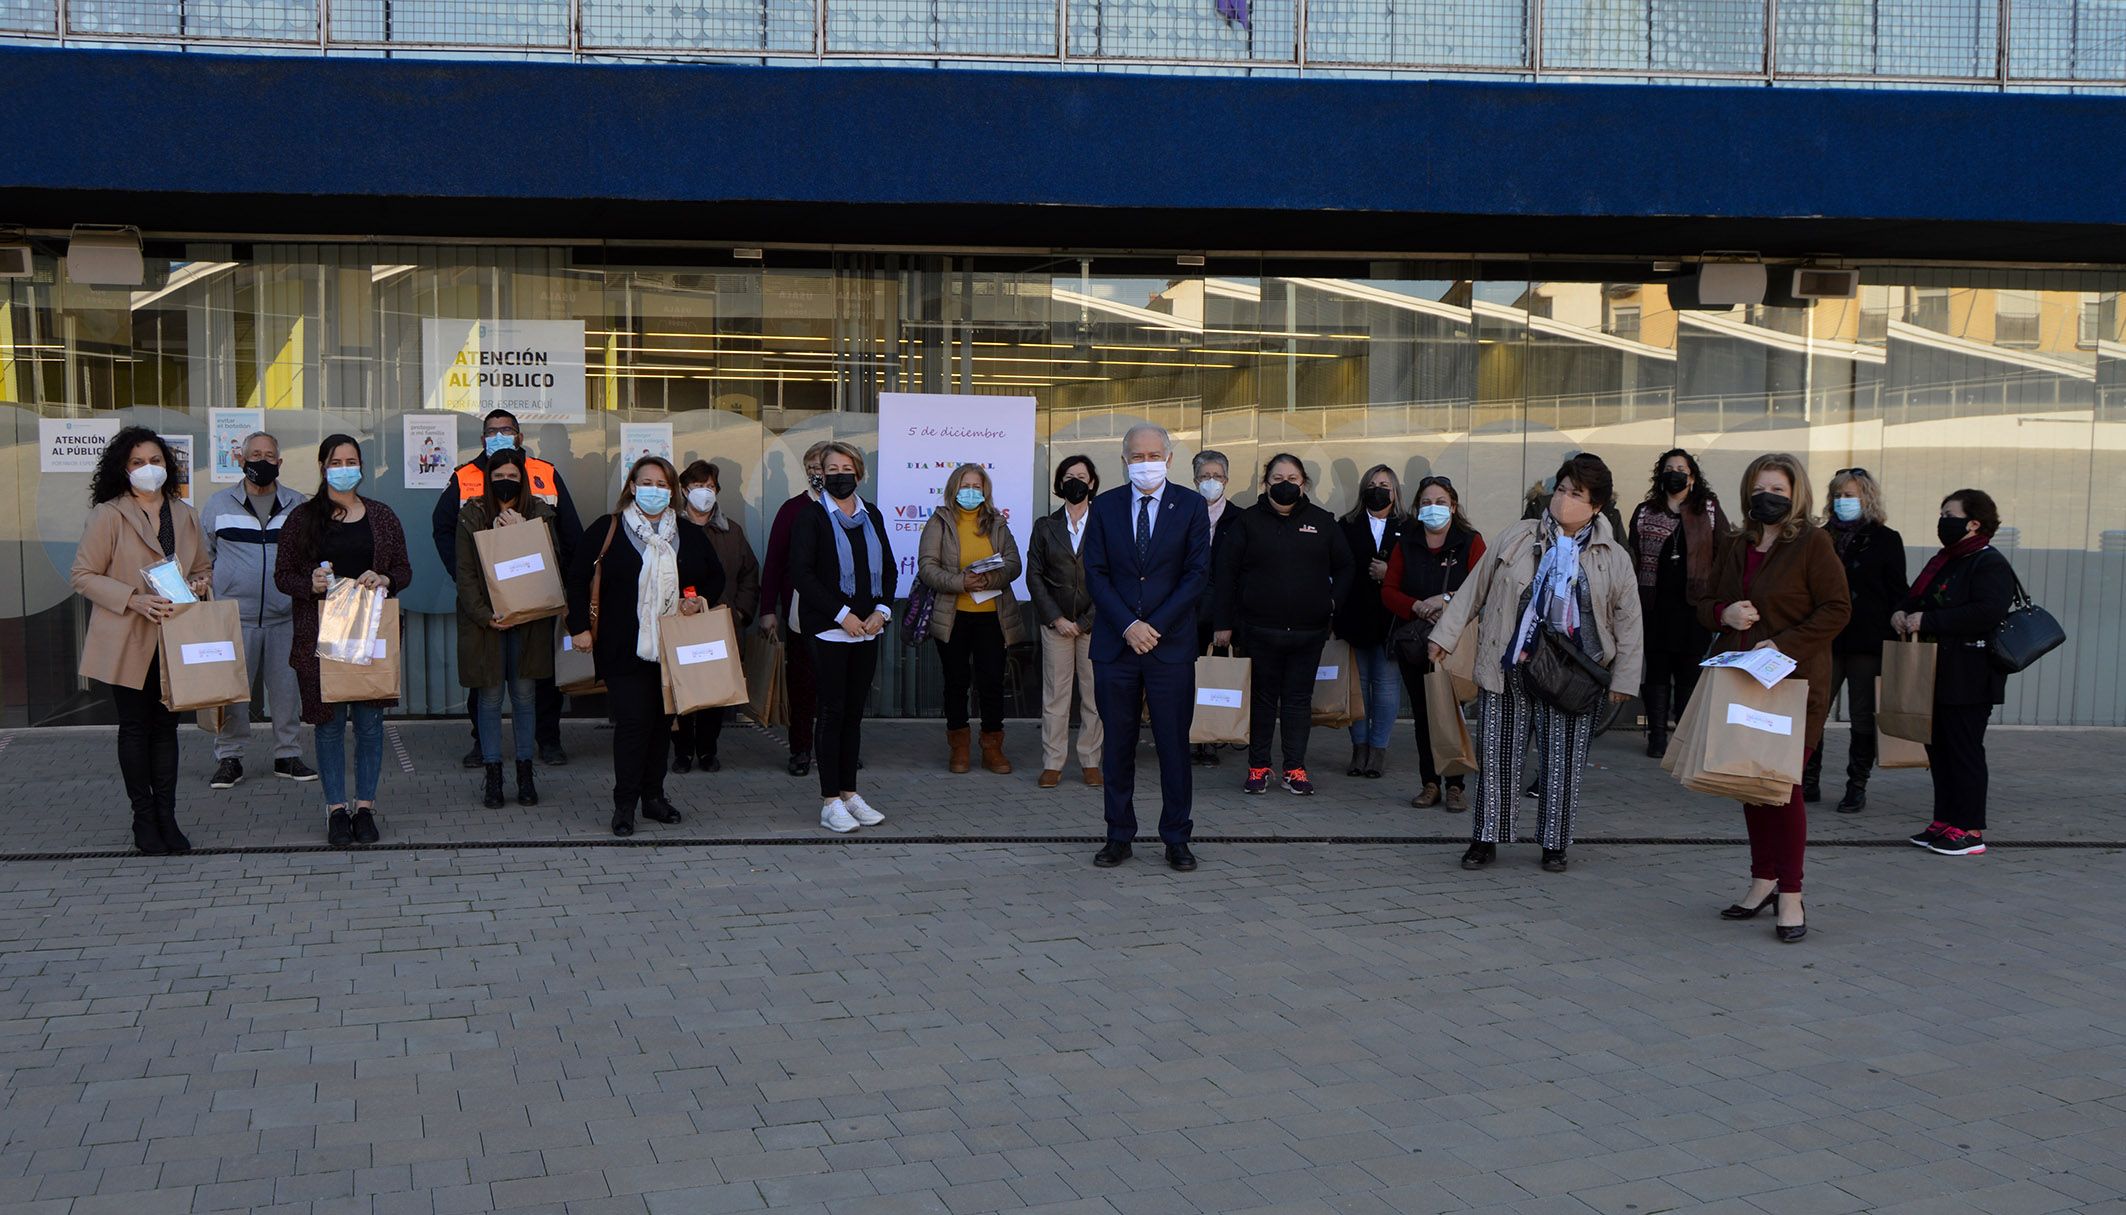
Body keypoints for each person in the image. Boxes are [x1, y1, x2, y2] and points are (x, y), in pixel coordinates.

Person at [1429, 453, 1642, 874]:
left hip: (1573, 676)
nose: (1564, 499)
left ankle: (1554, 843)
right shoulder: (1519, 536)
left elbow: (1629, 620)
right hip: (1509, 667)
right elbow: (1475, 588)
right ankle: (1485, 838)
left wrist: (1626, 679)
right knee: (1498, 756)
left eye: (1576, 493)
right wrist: (1444, 637)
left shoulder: (1612, 556)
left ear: (1596, 505)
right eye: (1561, 489)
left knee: (1562, 763)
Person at [1701, 454, 1850, 942]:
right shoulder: (1736, 543)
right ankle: (1763, 879)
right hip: (1743, 680)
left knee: (1782, 788)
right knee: (1751, 783)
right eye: (1762, 488)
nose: (1770, 497)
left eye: (1780, 491)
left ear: (1796, 495)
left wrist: (1782, 643)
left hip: (1794, 684)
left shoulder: (1812, 542)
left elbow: (1837, 609)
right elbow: (1703, 601)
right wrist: (1725, 614)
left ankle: (1791, 892)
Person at [564, 456, 724, 837]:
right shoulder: (609, 528)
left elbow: (714, 578)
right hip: (622, 648)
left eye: (662, 483)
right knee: (634, 724)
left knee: (660, 725)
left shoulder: (685, 532)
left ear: (672, 491)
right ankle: (625, 804)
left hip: (672, 647)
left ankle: (654, 797)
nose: (654, 489)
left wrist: (694, 598)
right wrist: (579, 628)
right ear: (633, 486)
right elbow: (575, 579)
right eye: (647, 482)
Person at [71, 427, 213, 855]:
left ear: (167, 466)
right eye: (137, 462)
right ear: (123, 469)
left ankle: (167, 816)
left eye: (155, 460)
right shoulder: (109, 514)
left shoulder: (184, 514)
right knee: (135, 728)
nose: (147, 469)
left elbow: (204, 567)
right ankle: (143, 818)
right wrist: (133, 599)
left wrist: (199, 582)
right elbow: (83, 575)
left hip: (174, 637)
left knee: (167, 727)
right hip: (127, 636)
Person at [274, 435, 414, 848]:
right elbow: (283, 577)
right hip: (320, 638)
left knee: (370, 726)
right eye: (336, 461)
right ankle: (337, 810)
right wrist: (311, 584)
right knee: (330, 725)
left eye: (351, 460)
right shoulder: (302, 519)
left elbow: (404, 569)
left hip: (370, 635)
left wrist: (386, 579)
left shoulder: (383, 516)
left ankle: (366, 807)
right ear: (322, 467)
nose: (344, 466)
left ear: (361, 466)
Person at [1084, 424, 1213, 870]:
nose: (1145, 463)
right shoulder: (1104, 507)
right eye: (1136, 456)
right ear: (1123, 461)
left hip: (1170, 645)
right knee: (1116, 744)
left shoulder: (1192, 505)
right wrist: (1128, 627)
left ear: (1170, 458)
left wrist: (1152, 626)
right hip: (1116, 647)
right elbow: (1095, 574)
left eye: (1153, 455)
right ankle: (1118, 834)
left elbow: (1196, 575)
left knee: (1173, 745)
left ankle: (1177, 836)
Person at [432, 409, 583, 769]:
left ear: (519, 435)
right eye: (492, 430)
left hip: (536, 594)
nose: (500, 434)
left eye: (507, 429)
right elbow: (443, 530)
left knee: (537, 676)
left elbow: (570, 535)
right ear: (483, 438)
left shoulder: (544, 474)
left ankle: (547, 739)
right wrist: (464, 577)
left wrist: (560, 587)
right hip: (485, 599)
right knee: (484, 677)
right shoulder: (464, 476)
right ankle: (481, 743)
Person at [1214, 453, 1353, 796]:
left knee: (1297, 701)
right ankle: (1259, 767)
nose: (1285, 484)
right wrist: (1224, 622)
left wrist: (1333, 603)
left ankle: (1295, 768)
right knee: (1262, 701)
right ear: (1266, 483)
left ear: (1303, 483)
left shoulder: (1323, 522)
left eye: (1292, 478)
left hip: (1309, 632)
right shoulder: (1246, 523)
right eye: (1278, 479)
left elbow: (1347, 566)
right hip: (1259, 630)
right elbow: (1225, 574)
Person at [1895, 489, 2015, 857]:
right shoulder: (1945, 560)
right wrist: (1901, 611)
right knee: (1940, 751)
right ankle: (1945, 820)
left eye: (1950, 514)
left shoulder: (1988, 563)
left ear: (1974, 522)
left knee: (1964, 751)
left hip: (1970, 675)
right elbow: (1918, 596)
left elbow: (1986, 612)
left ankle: (1970, 828)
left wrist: (1928, 619)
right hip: (1935, 672)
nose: (1943, 521)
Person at [786, 443, 897, 833]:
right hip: (830, 629)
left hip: (867, 631)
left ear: (859, 473)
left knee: (853, 715)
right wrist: (843, 615)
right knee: (831, 712)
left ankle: (851, 793)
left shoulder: (873, 516)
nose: (838, 474)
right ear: (821, 475)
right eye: (831, 468)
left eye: (846, 467)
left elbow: (887, 568)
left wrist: (881, 611)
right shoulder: (811, 517)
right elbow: (802, 574)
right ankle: (829, 800)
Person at [201, 430, 316, 789]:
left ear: (280, 463)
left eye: (269, 456)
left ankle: (287, 755)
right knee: (232, 692)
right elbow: (204, 557)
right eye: (255, 455)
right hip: (235, 617)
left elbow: (309, 555)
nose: (262, 462)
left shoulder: (298, 505)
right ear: (241, 460)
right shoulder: (218, 505)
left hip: (286, 615)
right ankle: (229, 758)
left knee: (286, 690)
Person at [454, 446, 557, 810]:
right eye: (498, 478)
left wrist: (524, 533)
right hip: (487, 625)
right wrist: (484, 615)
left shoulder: (540, 513)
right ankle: (493, 774)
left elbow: (551, 564)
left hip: (527, 621)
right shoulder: (472, 515)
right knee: (491, 698)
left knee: (526, 697)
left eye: (512, 477)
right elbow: (464, 575)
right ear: (487, 480)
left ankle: (526, 773)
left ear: (523, 479)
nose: (505, 483)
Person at [1807, 468, 1908, 812]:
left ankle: (1857, 785)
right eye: (1837, 495)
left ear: (1866, 498)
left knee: (1862, 715)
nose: (1842, 501)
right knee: (1813, 710)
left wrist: (1899, 617)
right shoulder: (1819, 537)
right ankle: (1808, 780)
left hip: (1867, 640)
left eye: (1849, 495)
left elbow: (1899, 591)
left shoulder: (1886, 538)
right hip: (1825, 639)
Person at [1383, 475, 1485, 811]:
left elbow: (1481, 588)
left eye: (1441, 502)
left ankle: (1456, 785)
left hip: (1454, 644)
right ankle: (1430, 783)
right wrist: (1415, 606)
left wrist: (1443, 600)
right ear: (1417, 508)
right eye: (1426, 502)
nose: (1433, 508)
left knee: (1450, 712)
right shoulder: (1406, 542)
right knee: (1424, 717)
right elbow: (1389, 591)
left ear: (1453, 506)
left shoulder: (1470, 542)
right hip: (1416, 642)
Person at [918, 462, 1026, 776]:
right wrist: (960, 582)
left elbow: (1014, 564)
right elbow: (927, 567)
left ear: (985, 490)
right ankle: (960, 748)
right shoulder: (939, 521)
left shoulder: (997, 522)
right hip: (953, 617)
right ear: (955, 487)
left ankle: (992, 747)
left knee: (991, 682)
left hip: (992, 617)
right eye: (966, 485)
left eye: (977, 486)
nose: (971, 491)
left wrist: (990, 579)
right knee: (956, 683)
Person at [1626, 449, 1725, 759]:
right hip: (1654, 603)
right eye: (1669, 468)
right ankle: (1656, 736)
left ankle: (1683, 736)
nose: (1675, 473)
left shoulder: (1708, 510)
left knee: (1687, 673)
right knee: (1656, 671)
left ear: (1692, 476)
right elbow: (1633, 554)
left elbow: (1724, 551)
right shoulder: (1645, 511)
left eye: (1681, 468)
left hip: (1693, 606)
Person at [671, 460, 761, 774]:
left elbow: (750, 574)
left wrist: (740, 611)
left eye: (710, 487)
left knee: (714, 691)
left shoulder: (731, 531)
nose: (704, 493)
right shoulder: (670, 529)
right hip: (681, 625)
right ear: (684, 489)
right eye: (697, 486)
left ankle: (708, 751)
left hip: (721, 624)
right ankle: (682, 752)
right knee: (681, 688)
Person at [1027, 455, 1103, 790]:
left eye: (1082, 476)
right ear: (1060, 483)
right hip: (1055, 624)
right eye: (1069, 476)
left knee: (1094, 696)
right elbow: (1034, 575)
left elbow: (1113, 576)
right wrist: (1056, 618)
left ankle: (1090, 760)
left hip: (1095, 624)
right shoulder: (1045, 526)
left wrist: (1086, 620)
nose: (1076, 481)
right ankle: (1053, 762)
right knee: (1056, 696)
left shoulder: (1105, 523)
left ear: (1091, 483)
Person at [759, 441, 831, 777]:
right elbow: (773, 562)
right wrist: (767, 608)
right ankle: (801, 750)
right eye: (812, 468)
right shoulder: (792, 510)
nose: (818, 474)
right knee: (803, 685)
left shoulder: (852, 509)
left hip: (845, 617)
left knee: (837, 688)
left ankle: (835, 750)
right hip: (801, 613)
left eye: (824, 468)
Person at [1337, 464, 1407, 779]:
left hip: (1392, 621)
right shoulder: (1346, 525)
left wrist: (1388, 573)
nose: (1378, 489)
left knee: (1386, 686)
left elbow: (1416, 572)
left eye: (1385, 484)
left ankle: (1378, 750)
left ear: (1395, 492)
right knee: (1358, 687)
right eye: (1373, 483)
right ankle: (1358, 748)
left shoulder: (1409, 526)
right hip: (1355, 617)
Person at [1189, 450, 1236, 766]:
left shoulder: (1239, 518)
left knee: (1215, 678)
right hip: (1185, 611)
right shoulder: (1181, 513)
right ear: (1194, 481)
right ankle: (1189, 736)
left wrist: (1226, 619)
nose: (1211, 482)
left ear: (1226, 480)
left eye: (1216, 476)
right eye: (1205, 477)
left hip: (1220, 611)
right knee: (1186, 677)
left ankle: (1212, 738)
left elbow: (1240, 576)